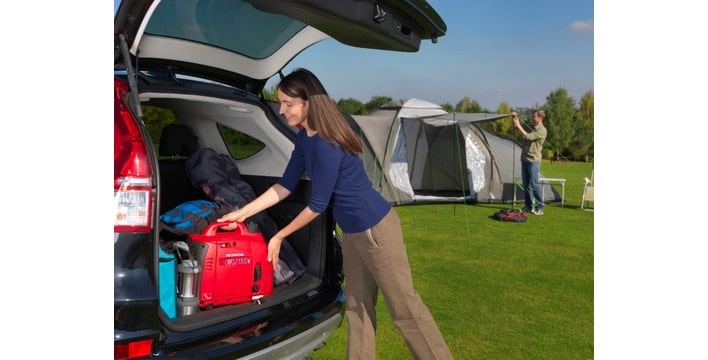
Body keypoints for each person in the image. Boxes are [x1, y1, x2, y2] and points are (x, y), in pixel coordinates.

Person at [217, 68, 453, 360]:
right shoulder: (305, 138)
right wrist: (240, 213)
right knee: (357, 307)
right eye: (280, 103)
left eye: (288, 104)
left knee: (404, 310)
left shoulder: (328, 143)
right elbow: (285, 186)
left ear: (309, 102)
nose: (282, 110)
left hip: (376, 229)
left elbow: (318, 204)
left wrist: (279, 236)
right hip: (354, 234)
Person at [512, 109, 548, 215]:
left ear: (540, 118)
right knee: (526, 185)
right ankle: (528, 206)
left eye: (534, 117)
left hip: (533, 161)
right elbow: (521, 130)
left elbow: (527, 136)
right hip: (525, 159)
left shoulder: (542, 130)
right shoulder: (533, 128)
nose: (532, 118)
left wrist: (518, 125)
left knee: (534, 184)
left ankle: (540, 206)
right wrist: (515, 119)